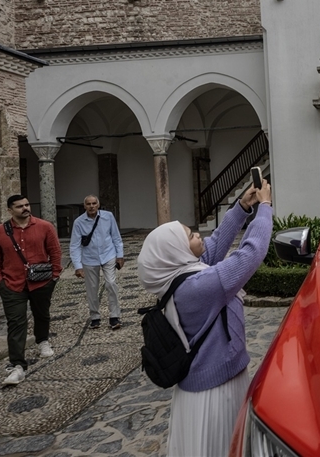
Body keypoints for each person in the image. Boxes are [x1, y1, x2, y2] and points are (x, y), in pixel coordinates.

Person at [138, 179, 273, 457]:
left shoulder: (180, 275)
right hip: (213, 394)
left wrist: (242, 206)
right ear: (177, 252)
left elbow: (213, 246)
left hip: (207, 385)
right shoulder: (199, 287)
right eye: (190, 236)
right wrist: (265, 207)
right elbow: (250, 254)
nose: (199, 235)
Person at [0, 194, 62, 385]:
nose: (25, 208)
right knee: (16, 322)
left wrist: (54, 276)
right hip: (12, 284)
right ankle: (17, 365)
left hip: (42, 282)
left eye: (27, 204)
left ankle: (42, 340)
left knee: (41, 314)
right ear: (10, 210)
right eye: (20, 206)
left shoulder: (45, 227)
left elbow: (55, 251)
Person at [70, 195, 125, 330]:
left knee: (111, 283)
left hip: (108, 254)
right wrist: (78, 266)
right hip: (89, 257)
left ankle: (114, 316)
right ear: (84, 206)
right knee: (92, 288)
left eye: (94, 203)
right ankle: (95, 316)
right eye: (88, 204)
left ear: (98, 204)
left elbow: (116, 237)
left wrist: (120, 255)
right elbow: (74, 245)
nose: (92, 206)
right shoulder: (79, 222)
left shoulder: (108, 216)